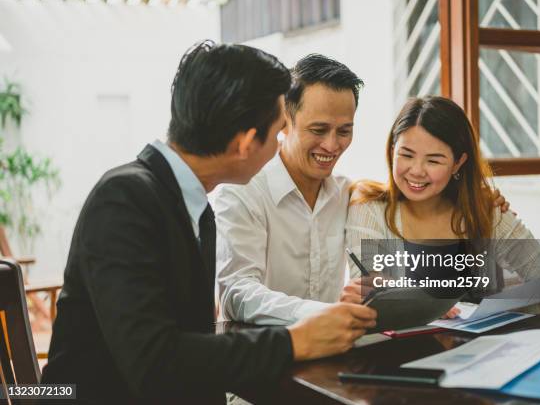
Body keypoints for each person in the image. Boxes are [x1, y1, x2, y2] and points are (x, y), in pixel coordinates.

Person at [41, 41, 376, 404]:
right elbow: (156, 363)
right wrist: (297, 340)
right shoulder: (123, 199)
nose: (282, 141)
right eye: (279, 128)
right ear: (247, 143)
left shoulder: (188, 200)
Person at [216, 55, 510, 326]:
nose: (332, 146)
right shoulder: (242, 192)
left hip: (332, 353)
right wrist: (326, 313)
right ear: (284, 123)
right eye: (319, 130)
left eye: (344, 131)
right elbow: (237, 293)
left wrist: (471, 196)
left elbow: (396, 196)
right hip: (261, 359)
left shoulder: (346, 193)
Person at [342, 96, 540, 313]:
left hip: (480, 352)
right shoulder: (369, 207)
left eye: (434, 161)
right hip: (397, 355)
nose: (416, 171)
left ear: (458, 163)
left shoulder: (484, 210)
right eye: (406, 155)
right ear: (392, 150)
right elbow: (371, 294)